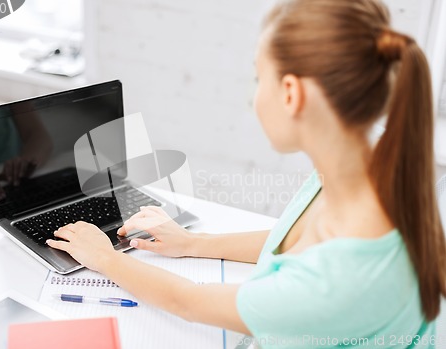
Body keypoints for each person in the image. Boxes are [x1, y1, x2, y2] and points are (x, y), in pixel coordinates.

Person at [47, 0, 446, 347]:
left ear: (291, 93)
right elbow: (289, 241)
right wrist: (193, 242)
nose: (253, 96)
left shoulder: (333, 281)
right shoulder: (373, 161)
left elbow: (187, 302)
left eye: (259, 79)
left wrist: (104, 258)